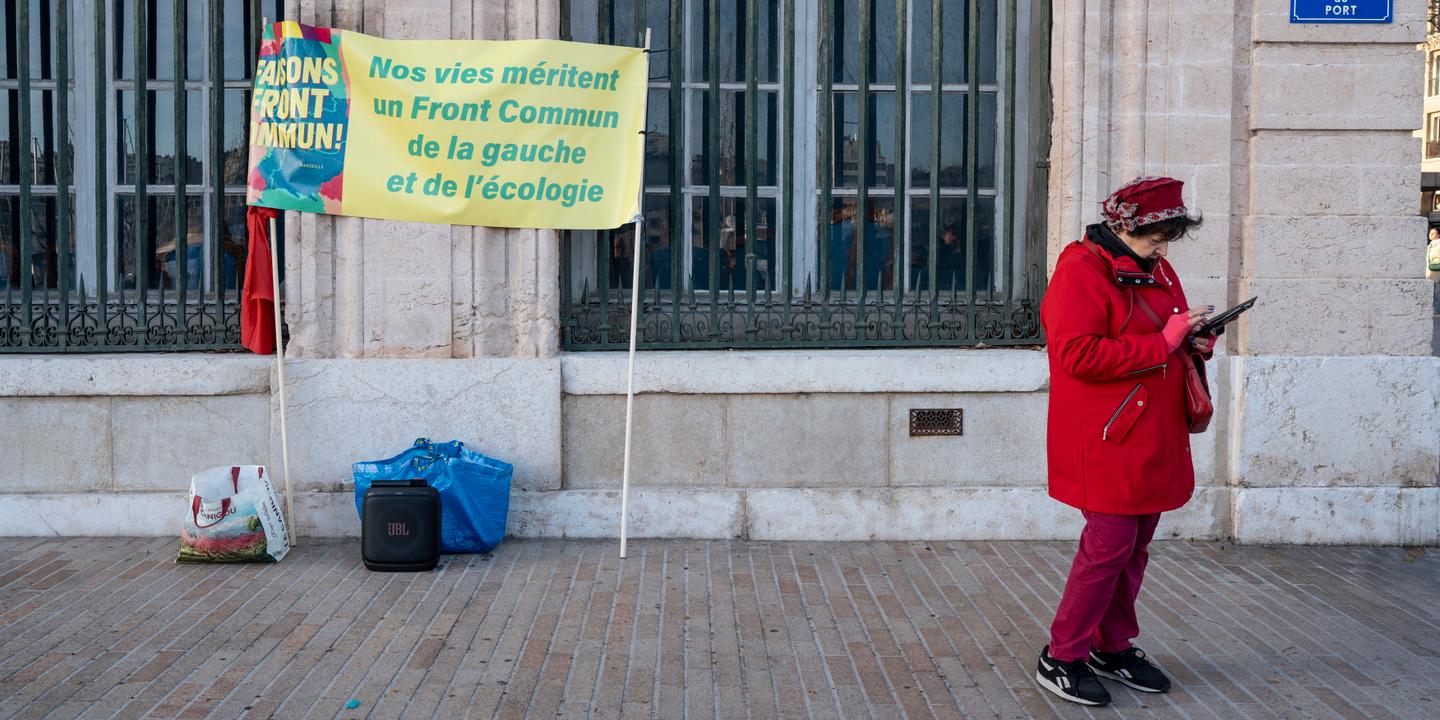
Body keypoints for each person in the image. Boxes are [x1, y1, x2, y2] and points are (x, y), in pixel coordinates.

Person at [1034, 176, 1213, 706]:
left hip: (1152, 432)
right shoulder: (1079, 270)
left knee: (1134, 548)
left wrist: (1195, 338)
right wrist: (1161, 342)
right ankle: (1061, 655)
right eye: (1155, 238)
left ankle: (1111, 647)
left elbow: (1169, 333)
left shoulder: (1154, 265)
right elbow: (1076, 356)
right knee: (1107, 545)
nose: (1163, 249)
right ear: (1124, 226)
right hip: (1108, 435)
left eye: (1168, 239)